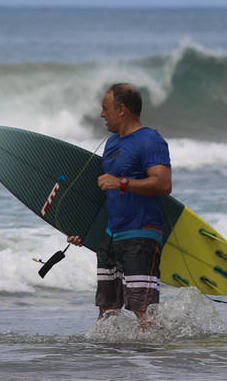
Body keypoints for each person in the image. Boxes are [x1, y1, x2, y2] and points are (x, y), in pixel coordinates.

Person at [67, 83, 171, 329]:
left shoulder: (150, 140)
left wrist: (121, 182)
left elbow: (163, 183)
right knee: (106, 311)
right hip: (111, 235)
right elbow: (106, 194)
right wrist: (85, 229)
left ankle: (157, 363)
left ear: (121, 109)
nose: (102, 114)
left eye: (105, 108)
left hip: (141, 234)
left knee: (143, 311)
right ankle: (110, 364)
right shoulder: (112, 144)